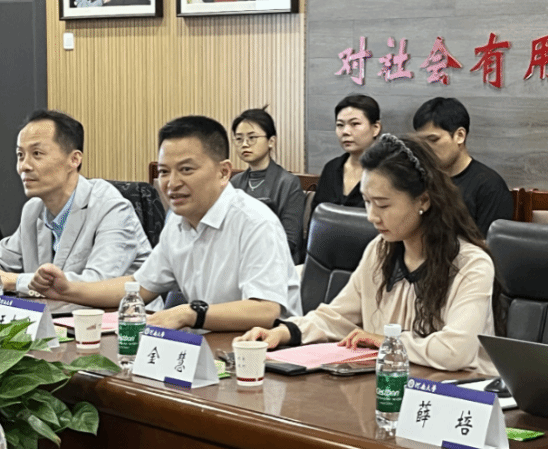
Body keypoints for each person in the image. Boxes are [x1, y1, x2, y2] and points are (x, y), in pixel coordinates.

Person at [237, 134, 503, 374]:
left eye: (383, 204)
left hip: (454, 396)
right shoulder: (379, 250)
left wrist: (386, 342)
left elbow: (455, 351)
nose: (372, 216)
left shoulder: (470, 264)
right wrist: (284, 332)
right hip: (388, 385)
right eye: (367, 201)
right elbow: (338, 317)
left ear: (423, 200)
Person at [29, 115, 302, 331]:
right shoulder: (178, 222)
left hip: (269, 356)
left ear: (223, 172)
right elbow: (139, 285)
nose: (171, 183)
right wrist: (68, 289)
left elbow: (265, 310)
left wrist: (189, 313)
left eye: (186, 170)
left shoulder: (255, 222)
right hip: (211, 349)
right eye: (163, 171)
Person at [0, 110, 151, 313]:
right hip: (57, 321)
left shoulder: (111, 207)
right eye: (20, 155)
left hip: (126, 322)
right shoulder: (33, 210)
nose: (23, 166)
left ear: (74, 159)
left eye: (37, 154)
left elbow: (97, 285)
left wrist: (16, 281)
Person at [413, 97, 513, 237]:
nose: (426, 149)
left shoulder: (490, 186)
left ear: (460, 136)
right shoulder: (419, 179)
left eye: (433, 140)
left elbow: (491, 245)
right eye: (421, 142)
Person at [230, 107, 305, 263]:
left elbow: (290, 240)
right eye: (239, 139)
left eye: (252, 137)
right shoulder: (234, 183)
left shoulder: (288, 183)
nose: (244, 144)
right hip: (237, 261)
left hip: (275, 262)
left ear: (271, 141)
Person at [311, 94, 381, 214]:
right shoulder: (331, 168)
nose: (345, 132)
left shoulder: (389, 171)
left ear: (375, 128)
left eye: (355, 124)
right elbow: (315, 217)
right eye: (340, 125)